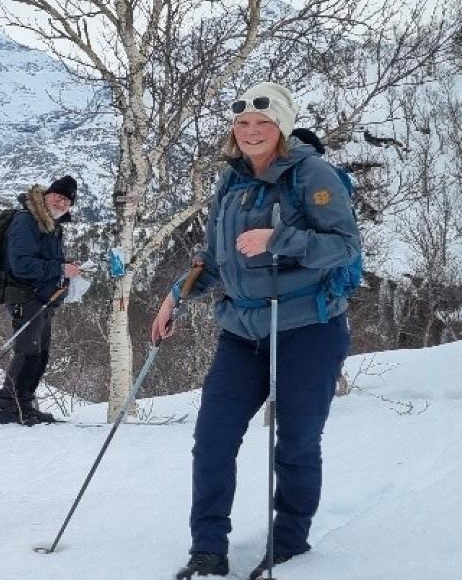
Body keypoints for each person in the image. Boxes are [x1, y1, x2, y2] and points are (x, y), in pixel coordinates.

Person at [152, 83, 359, 579]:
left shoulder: (313, 175)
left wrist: (278, 239)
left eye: (262, 123)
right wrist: (176, 295)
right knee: (214, 439)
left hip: (308, 328)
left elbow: (345, 246)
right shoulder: (231, 181)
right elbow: (217, 258)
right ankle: (207, 549)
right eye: (242, 124)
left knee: (296, 442)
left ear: (281, 126)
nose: (251, 132)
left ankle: (289, 543)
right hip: (242, 331)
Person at [0, 175, 83, 426]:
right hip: (24, 295)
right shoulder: (26, 221)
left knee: (39, 354)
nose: (62, 203)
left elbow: (46, 260)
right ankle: (6, 406)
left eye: (67, 201)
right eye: (58, 197)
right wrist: (60, 269)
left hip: (43, 298)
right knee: (27, 352)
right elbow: (21, 264)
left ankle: (24, 405)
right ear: (47, 195)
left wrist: (64, 269)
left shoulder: (51, 225)